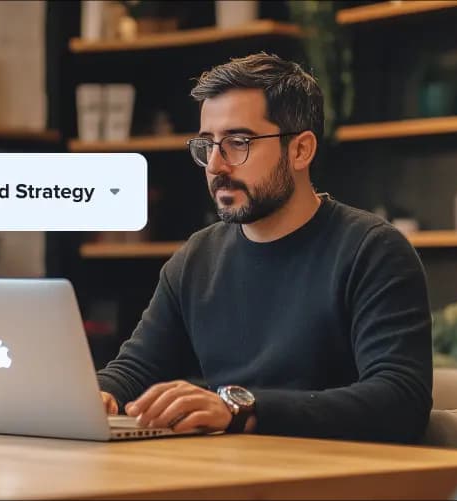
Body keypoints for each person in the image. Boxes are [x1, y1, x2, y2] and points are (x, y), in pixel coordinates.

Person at [97, 52, 433, 444]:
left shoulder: (373, 250)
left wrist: (242, 409)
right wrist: (98, 396)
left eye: (238, 142)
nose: (216, 165)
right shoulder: (196, 258)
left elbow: (400, 400)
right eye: (208, 145)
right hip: (227, 472)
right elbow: (135, 369)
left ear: (301, 150)